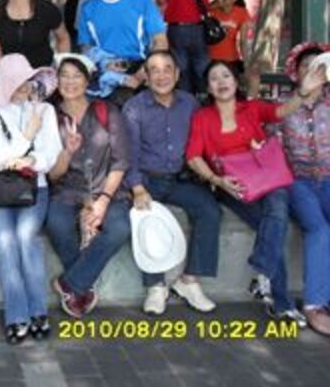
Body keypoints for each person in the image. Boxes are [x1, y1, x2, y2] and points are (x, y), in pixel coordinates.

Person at [185, 59, 328, 326]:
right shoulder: (202, 117)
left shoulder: (251, 108)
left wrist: (303, 92)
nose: (221, 82)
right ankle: (278, 299)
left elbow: (282, 111)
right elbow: (193, 157)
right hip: (232, 184)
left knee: (278, 203)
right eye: (214, 78)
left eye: (226, 76)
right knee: (272, 223)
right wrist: (217, 180)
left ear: (235, 81)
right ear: (209, 88)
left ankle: (266, 275)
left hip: (265, 176)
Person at [122, 50, 220, 315]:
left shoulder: (190, 104)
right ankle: (155, 286)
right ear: (146, 77)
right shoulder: (134, 108)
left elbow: (200, 143)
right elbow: (129, 154)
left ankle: (189, 280)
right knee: (143, 215)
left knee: (209, 210)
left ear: (177, 74)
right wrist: (137, 188)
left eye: (167, 69)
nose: (161, 75)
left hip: (180, 179)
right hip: (147, 180)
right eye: (154, 70)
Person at [0, 54, 62, 343]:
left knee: (27, 238)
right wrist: (27, 136)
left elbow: (51, 152)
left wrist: (30, 160)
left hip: (35, 188)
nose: (24, 87)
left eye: (27, 80)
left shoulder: (45, 110)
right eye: (16, 82)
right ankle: (16, 316)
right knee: (6, 241)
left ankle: (38, 311)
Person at [46, 54, 131, 318]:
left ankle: (70, 284)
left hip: (107, 189)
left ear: (87, 81)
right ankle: (82, 285)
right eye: (64, 76)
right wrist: (67, 152)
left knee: (119, 228)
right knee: (57, 223)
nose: (70, 82)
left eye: (77, 76)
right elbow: (53, 175)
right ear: (56, 80)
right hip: (68, 190)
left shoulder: (106, 111)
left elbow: (120, 161)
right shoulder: (50, 116)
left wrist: (103, 200)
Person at [279, 43, 330, 335]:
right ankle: (314, 304)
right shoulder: (285, 105)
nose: (312, 72)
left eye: (318, 66)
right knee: (319, 229)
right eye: (305, 67)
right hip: (296, 180)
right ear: (296, 73)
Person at [78, 0, 167, 104]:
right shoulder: (87, 7)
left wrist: (144, 72)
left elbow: (160, 41)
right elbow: (85, 47)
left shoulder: (142, 0)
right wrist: (104, 64)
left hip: (139, 69)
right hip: (105, 73)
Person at [208, 0, 251, 76]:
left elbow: (243, 41)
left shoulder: (242, 13)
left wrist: (247, 63)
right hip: (210, 60)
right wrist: (212, 6)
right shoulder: (210, 10)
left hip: (232, 60)